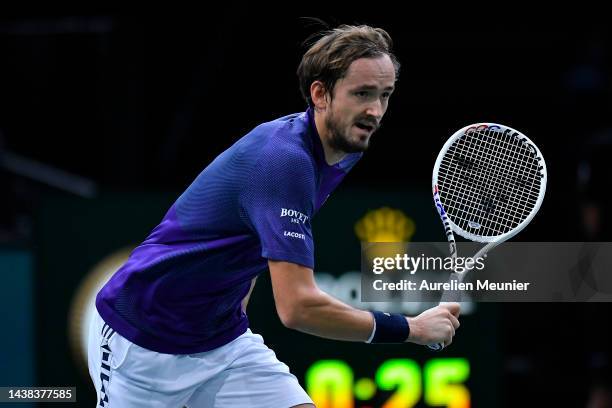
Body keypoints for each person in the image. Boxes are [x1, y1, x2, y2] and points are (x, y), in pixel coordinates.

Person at [87, 24, 461, 408]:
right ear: (320, 94)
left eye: (385, 96)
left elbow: (250, 241)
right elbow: (298, 308)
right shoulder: (284, 162)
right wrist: (411, 328)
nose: (375, 111)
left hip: (221, 343)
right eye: (362, 94)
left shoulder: (343, 149)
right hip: (141, 341)